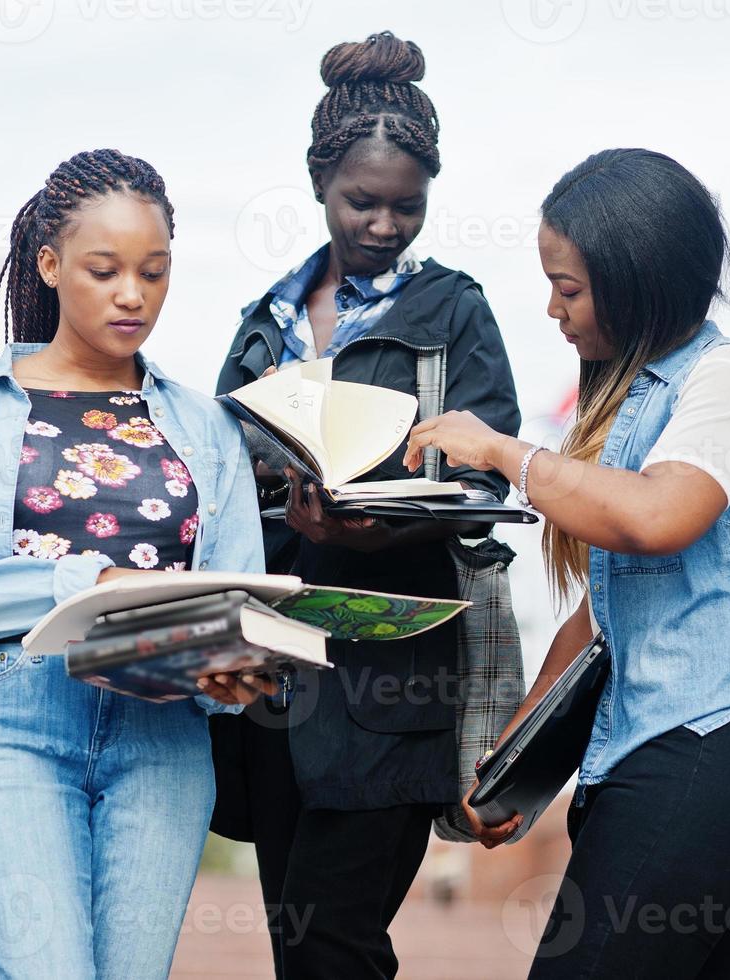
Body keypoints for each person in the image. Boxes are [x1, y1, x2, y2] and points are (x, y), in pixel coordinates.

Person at [403, 148, 730, 979]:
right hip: (648, 751)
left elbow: (658, 517)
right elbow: (603, 611)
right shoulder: (640, 403)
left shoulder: (725, 378)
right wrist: (514, 761)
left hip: (718, 740)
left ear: (638, 280)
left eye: (568, 289)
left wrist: (502, 453)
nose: (553, 310)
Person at [0, 148, 272, 979]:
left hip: (164, 735)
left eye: (153, 272)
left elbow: (234, 591)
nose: (131, 295)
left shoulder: (206, 425)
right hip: (12, 721)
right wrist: (90, 581)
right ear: (49, 264)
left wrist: (231, 665)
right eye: (104, 270)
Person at [211, 31, 522, 980]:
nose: (385, 225)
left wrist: (379, 520)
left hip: (394, 680)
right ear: (318, 184)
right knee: (296, 944)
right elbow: (216, 476)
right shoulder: (262, 320)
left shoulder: (454, 314)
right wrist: (277, 504)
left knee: (336, 941)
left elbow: (487, 481)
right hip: (275, 678)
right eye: (362, 202)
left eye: (406, 207)